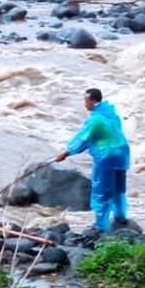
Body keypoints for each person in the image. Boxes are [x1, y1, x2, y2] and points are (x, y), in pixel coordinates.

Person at [55, 88, 131, 232]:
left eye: (86, 100)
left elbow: (83, 138)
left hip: (106, 157)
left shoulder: (95, 119)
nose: (85, 104)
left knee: (101, 190)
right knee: (118, 188)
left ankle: (100, 225)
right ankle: (120, 216)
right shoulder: (112, 115)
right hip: (122, 155)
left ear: (94, 101)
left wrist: (67, 152)